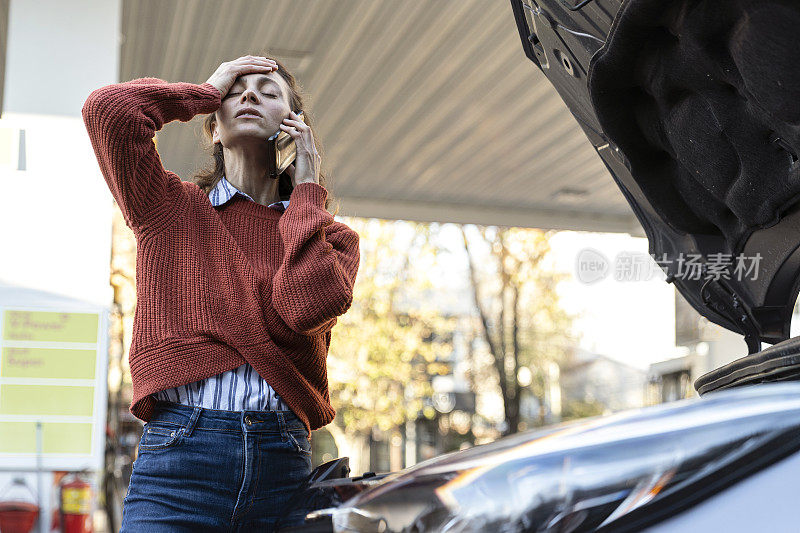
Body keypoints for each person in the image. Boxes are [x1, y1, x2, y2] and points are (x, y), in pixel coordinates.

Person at [81, 55, 361, 531]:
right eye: (237, 90)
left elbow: (305, 304)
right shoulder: (165, 208)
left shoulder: (331, 239)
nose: (249, 95)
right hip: (178, 464)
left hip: (282, 469)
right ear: (213, 127)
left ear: (295, 130)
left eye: (269, 93)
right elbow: (108, 110)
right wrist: (203, 91)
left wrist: (307, 192)